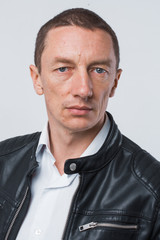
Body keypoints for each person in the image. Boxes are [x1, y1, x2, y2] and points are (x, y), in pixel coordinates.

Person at [0, 8, 160, 240]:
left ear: (114, 82)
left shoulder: (152, 189)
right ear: (37, 79)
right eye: (63, 68)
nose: (83, 90)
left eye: (98, 70)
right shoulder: (3, 161)